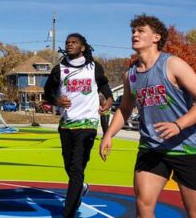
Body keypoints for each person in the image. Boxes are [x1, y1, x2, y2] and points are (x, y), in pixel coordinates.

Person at [100, 15, 196, 217]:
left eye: (141, 30)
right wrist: (108, 134)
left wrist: (178, 125)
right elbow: (125, 108)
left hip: (186, 148)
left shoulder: (172, 64)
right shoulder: (131, 75)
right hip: (151, 147)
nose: (134, 34)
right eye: (133, 31)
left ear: (156, 37)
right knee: (143, 204)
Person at [44, 33, 112, 218]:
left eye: (74, 42)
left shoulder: (93, 67)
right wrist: (57, 101)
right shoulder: (59, 69)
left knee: (76, 168)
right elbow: (47, 94)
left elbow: (104, 86)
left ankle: (69, 213)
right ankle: (80, 188)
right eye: (67, 42)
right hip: (67, 124)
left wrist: (109, 99)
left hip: (88, 124)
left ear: (82, 47)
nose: (69, 44)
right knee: (69, 166)